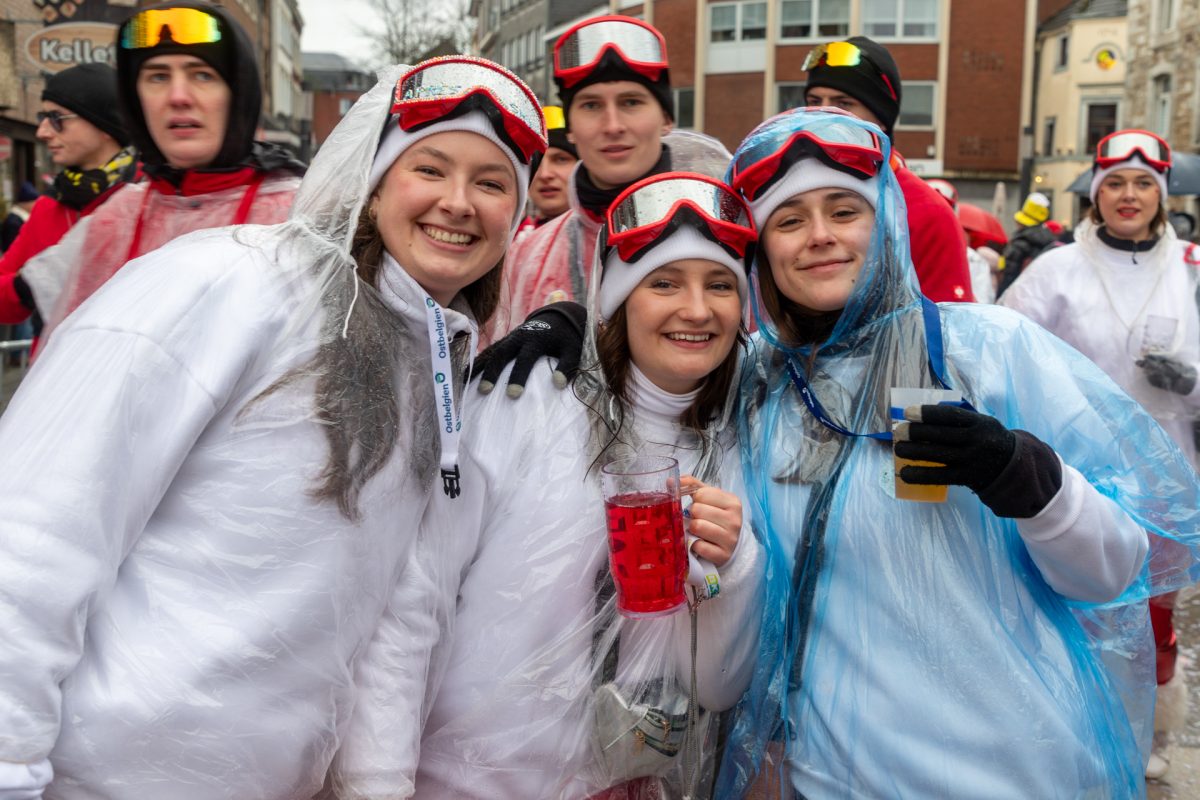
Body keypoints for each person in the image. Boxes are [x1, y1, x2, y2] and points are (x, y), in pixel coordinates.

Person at [0, 56, 545, 800]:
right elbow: (34, 533)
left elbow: (391, 612)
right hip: (93, 775)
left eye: (491, 183)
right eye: (431, 168)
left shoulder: (435, 364)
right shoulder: (226, 285)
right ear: (376, 177)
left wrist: (376, 786)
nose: (458, 202)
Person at [713, 108, 1200, 798]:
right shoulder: (755, 384)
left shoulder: (991, 350)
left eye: (843, 210)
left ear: (884, 221)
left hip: (1007, 773)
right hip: (830, 778)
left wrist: (1023, 475)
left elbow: (1114, 570)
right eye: (789, 221)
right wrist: (572, 334)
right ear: (761, 249)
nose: (820, 237)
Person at [332, 171, 762, 799]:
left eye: (720, 285)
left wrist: (733, 569)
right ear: (617, 299)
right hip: (459, 784)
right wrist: (376, 783)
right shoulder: (530, 397)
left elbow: (717, 687)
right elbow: (414, 598)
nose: (696, 310)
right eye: (663, 283)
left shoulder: (735, 442)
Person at [1000, 128, 1200, 780]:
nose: (1128, 195)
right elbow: (1003, 350)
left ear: (1163, 194)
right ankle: (1074, 725)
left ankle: (1145, 733)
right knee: (1076, 609)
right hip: (1078, 473)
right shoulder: (1057, 269)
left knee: (1153, 616)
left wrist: (1191, 381)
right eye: (1115, 182)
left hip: (1167, 474)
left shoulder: (1193, 270)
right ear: (1095, 190)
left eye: (1144, 183)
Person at [21, 2, 305, 345]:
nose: (178, 96)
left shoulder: (299, 215)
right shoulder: (115, 218)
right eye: (157, 76)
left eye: (202, 75)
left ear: (238, 94)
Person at [494, 15, 678, 339]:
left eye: (631, 102)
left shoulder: (726, 239)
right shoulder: (525, 257)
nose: (612, 125)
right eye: (591, 105)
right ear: (572, 130)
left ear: (665, 118)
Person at [801, 37, 975, 302]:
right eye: (814, 101)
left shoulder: (925, 211)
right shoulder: (792, 191)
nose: (823, 113)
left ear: (881, 120)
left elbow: (951, 331)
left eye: (843, 103)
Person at [0, 63, 136, 331]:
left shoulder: (154, 195)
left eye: (57, 118)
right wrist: (27, 287)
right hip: (57, 367)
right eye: (43, 117)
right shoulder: (50, 205)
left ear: (104, 124)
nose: (42, 131)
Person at [926, 177, 995, 302]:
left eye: (944, 208)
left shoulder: (973, 260)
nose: (935, 216)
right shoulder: (901, 253)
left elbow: (982, 308)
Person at [515, 104, 579, 238]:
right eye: (535, 163)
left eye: (560, 159)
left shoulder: (607, 239)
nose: (544, 174)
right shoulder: (509, 243)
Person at [996, 191, 1057, 297]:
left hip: (1018, 296)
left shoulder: (1020, 242)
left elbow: (1009, 275)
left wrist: (1000, 297)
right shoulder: (1050, 241)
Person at [2, 182, 40, 251]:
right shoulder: (14, 222)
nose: (36, 205)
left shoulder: (20, 219)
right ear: (27, 203)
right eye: (35, 202)